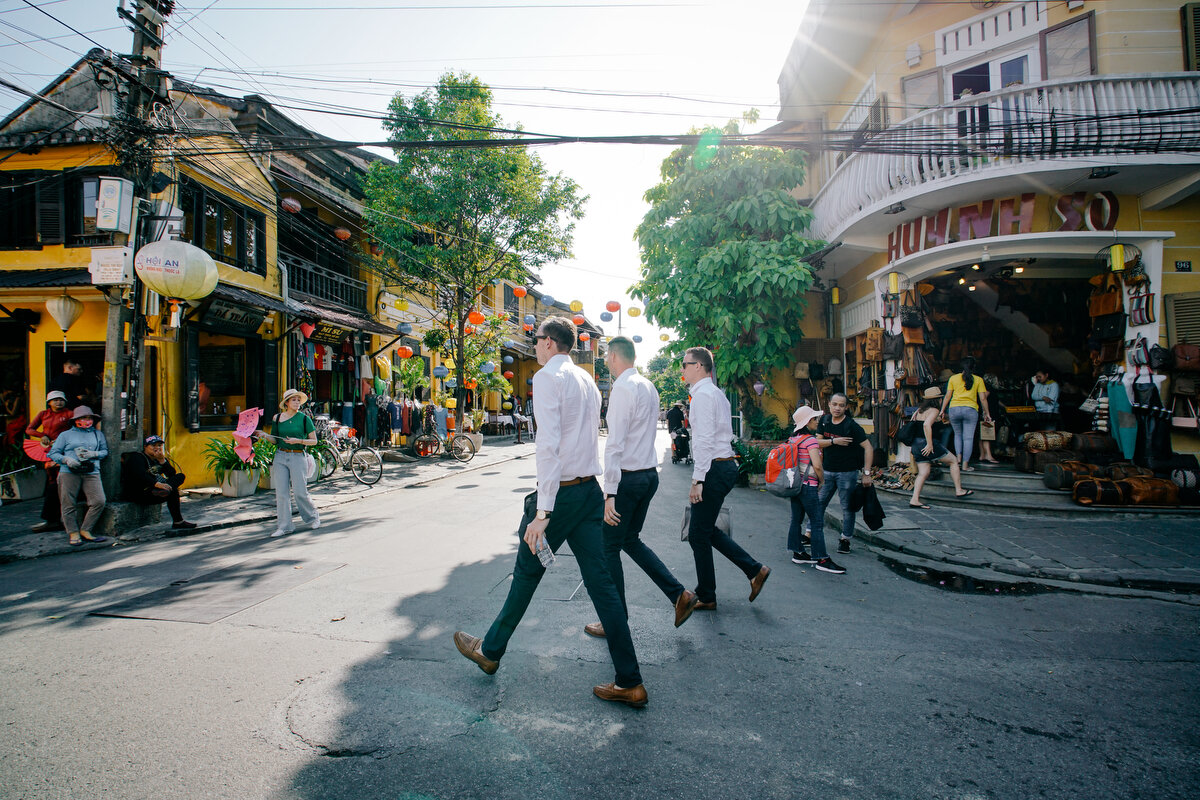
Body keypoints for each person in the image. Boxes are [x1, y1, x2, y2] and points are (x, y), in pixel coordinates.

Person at [453, 316, 647, 708]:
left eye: (537, 338)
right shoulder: (588, 381)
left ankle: (490, 651)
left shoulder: (546, 378)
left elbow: (548, 445)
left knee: (526, 572)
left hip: (560, 497)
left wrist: (543, 511)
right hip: (588, 491)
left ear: (549, 343)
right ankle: (630, 679)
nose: (535, 344)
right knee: (602, 583)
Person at [582, 336, 698, 639]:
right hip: (648, 476)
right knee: (630, 540)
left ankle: (614, 621)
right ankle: (679, 595)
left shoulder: (622, 388)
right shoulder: (649, 386)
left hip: (629, 480)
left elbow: (615, 443)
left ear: (612, 358)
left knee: (608, 548)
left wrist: (609, 493)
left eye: (607, 357)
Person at [682, 346, 771, 609]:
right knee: (704, 530)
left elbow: (704, 440)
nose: (682, 369)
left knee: (698, 534)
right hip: (721, 466)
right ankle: (753, 570)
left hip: (714, 468)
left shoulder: (704, 395)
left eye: (685, 364)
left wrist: (697, 480)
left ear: (699, 366)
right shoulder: (713, 393)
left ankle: (709, 594)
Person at [787, 405, 847, 574]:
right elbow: (818, 466)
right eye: (814, 419)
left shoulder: (793, 439)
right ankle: (822, 558)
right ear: (808, 422)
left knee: (796, 519)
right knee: (817, 521)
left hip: (796, 485)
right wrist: (821, 481)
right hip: (809, 486)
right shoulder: (810, 440)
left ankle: (798, 552)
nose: (817, 421)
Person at [815, 392, 873, 557]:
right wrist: (834, 441)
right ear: (829, 404)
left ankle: (845, 539)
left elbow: (868, 448)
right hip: (827, 471)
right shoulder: (825, 422)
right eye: (835, 404)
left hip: (847, 473)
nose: (837, 408)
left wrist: (867, 473)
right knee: (819, 503)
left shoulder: (851, 426)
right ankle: (811, 533)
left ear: (846, 407)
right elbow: (816, 442)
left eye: (841, 405)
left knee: (847, 508)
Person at [47, 405, 109, 546]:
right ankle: (73, 532)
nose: (86, 420)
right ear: (75, 420)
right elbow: (53, 453)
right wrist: (66, 459)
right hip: (69, 472)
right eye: (82, 418)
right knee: (68, 503)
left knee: (99, 501)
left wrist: (94, 454)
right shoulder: (65, 435)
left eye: (89, 418)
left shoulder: (98, 434)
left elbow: (105, 451)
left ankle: (86, 530)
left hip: (91, 471)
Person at [263, 388, 319, 538]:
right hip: (280, 456)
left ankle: (313, 517)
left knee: (300, 491)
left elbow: (314, 441)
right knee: (281, 493)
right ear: (286, 403)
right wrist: (265, 435)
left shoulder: (304, 419)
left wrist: (298, 441)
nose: (296, 402)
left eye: (298, 400)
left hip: (298, 455)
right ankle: (285, 526)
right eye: (293, 400)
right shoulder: (277, 418)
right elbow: (275, 440)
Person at [908, 398, 973, 509]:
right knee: (953, 461)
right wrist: (929, 444)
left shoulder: (919, 411)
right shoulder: (934, 410)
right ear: (938, 399)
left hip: (916, 445)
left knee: (923, 472)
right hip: (927, 444)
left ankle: (914, 499)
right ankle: (959, 490)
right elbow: (926, 425)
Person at [121, 435, 197, 531]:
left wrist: (162, 461)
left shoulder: (158, 459)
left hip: (157, 490)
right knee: (173, 491)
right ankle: (178, 521)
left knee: (180, 477)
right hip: (141, 492)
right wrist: (157, 484)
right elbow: (140, 475)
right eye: (153, 446)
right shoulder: (137, 457)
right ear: (145, 446)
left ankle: (178, 521)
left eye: (159, 445)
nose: (157, 448)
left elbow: (171, 474)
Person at [25, 390, 73, 533]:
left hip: (65, 451)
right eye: (55, 400)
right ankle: (53, 520)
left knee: (63, 484)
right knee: (52, 483)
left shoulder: (69, 414)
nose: (59, 402)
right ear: (49, 402)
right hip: (49, 451)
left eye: (61, 400)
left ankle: (62, 519)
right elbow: (29, 429)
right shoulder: (43, 414)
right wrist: (43, 435)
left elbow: (76, 429)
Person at [939, 358, 992, 472]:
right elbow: (983, 398)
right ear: (973, 368)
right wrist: (987, 413)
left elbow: (947, 396)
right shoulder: (978, 380)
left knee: (957, 435)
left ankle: (958, 459)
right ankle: (965, 465)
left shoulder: (953, 378)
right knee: (968, 438)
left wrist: (942, 410)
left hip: (954, 409)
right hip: (970, 410)